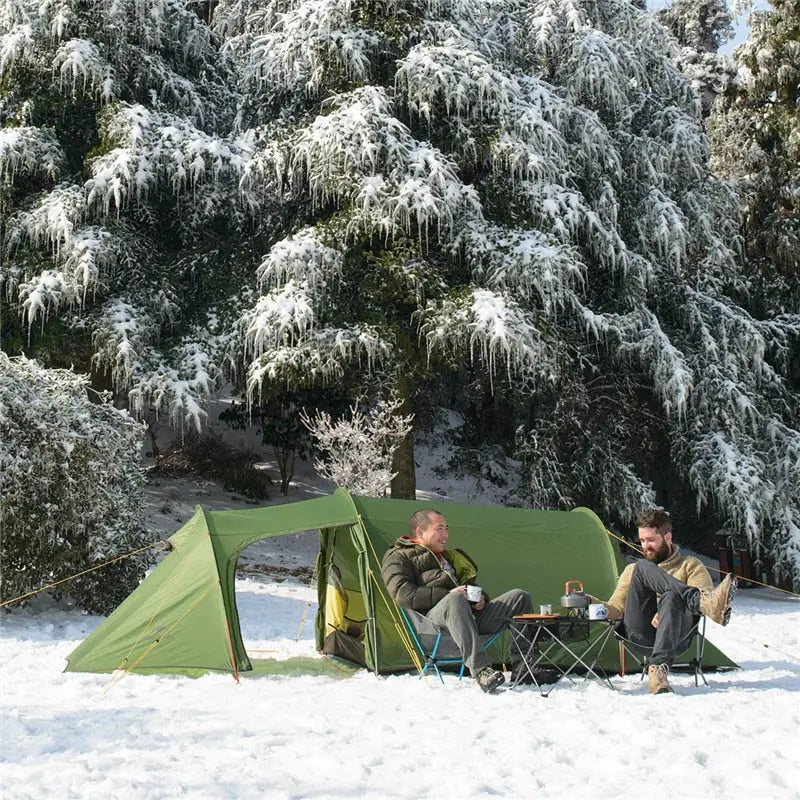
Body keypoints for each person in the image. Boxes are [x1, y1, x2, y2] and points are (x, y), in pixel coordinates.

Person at [381, 508, 533, 693]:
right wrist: (450, 594)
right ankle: (481, 670)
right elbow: (402, 595)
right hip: (434, 628)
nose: (445, 534)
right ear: (420, 531)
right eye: (439, 529)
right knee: (454, 599)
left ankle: (524, 666)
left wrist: (479, 598)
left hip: (466, 622)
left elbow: (466, 588)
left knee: (519, 597)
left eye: (446, 528)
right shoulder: (398, 556)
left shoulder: (448, 558)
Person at [596, 508, 736, 695]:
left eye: (651, 540)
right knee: (642, 567)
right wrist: (593, 603)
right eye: (643, 541)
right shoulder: (634, 570)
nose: (646, 546)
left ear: (668, 537)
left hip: (677, 635)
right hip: (640, 635)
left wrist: (665, 611)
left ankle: (658, 673)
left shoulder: (690, 565)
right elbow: (616, 607)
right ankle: (698, 601)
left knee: (672, 596)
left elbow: (704, 595)